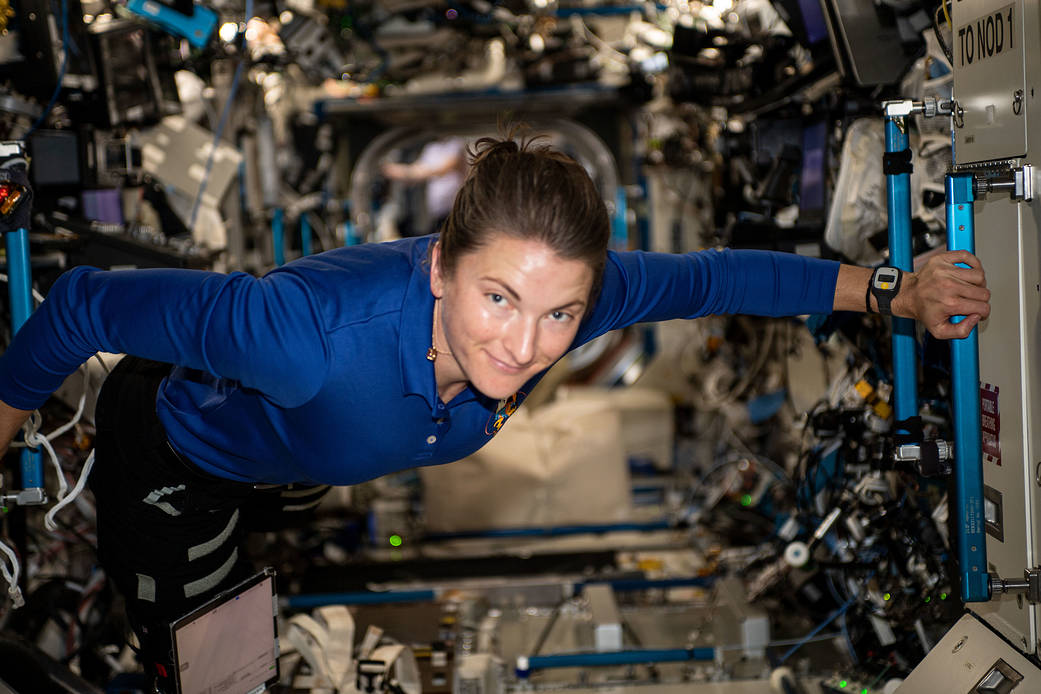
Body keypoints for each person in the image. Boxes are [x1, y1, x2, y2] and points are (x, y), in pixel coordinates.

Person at [0, 134, 989, 691]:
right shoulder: (298, 338)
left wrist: (890, 291)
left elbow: (711, 275)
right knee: (199, 671)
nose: (523, 346)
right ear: (438, 265)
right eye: (498, 300)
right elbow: (84, 303)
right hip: (177, 461)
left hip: (291, 468)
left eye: (559, 312)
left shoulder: (582, 299)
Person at [381, 136, 468, 236]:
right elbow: (418, 168)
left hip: (455, 209)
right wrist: (402, 174)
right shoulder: (431, 147)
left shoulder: (456, 144)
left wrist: (405, 172)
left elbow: (443, 169)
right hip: (437, 212)